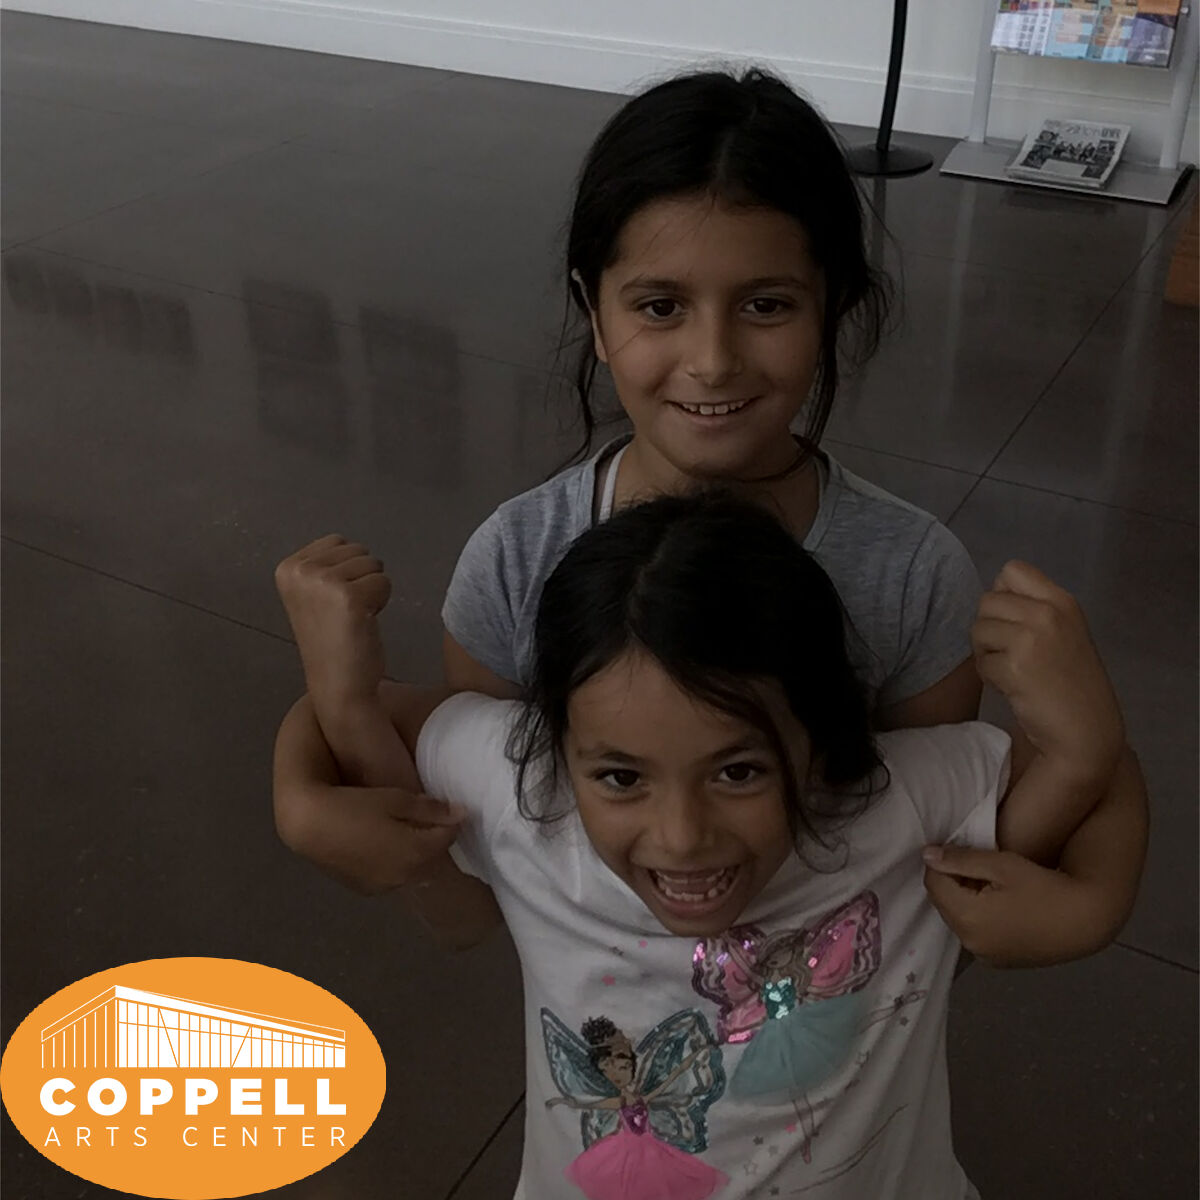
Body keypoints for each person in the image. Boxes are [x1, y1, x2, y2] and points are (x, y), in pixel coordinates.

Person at [273, 65, 1147, 962]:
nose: (713, 360)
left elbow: (939, 866)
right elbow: (484, 874)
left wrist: (1093, 889)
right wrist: (322, 762)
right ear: (594, 312)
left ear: (834, 305)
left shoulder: (907, 577)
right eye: (660, 306)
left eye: (766, 305)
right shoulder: (516, 563)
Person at [275, 492, 1146, 1199]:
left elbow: (1074, 788)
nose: (682, 837)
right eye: (622, 778)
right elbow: (382, 722)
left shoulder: (889, 804)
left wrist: (1088, 740)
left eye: (737, 772)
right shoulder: (527, 792)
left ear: (820, 744)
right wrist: (338, 702)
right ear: (556, 745)